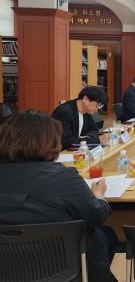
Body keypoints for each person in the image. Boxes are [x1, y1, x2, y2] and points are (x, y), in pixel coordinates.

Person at [0, 110, 117, 281]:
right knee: (106, 235)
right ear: (49, 142)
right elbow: (96, 215)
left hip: (7, 270)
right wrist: (98, 196)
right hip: (60, 266)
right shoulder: (63, 177)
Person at [52, 86, 109, 150]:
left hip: (78, 151)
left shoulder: (86, 111)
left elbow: (94, 129)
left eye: (100, 106)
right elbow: (67, 142)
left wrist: (87, 138)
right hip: (62, 153)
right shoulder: (64, 112)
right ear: (85, 99)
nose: (97, 109)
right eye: (97, 105)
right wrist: (96, 141)